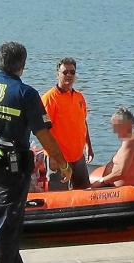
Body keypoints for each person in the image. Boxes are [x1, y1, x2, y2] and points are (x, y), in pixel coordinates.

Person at [0, 42, 72, 263]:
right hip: (13, 167)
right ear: (22, 65)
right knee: (7, 224)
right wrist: (63, 164)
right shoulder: (26, 94)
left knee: (1, 219)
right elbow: (44, 135)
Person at [41, 57, 93, 189]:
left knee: (84, 192)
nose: (69, 75)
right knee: (59, 196)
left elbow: (83, 123)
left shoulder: (79, 97)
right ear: (57, 73)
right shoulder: (49, 99)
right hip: (58, 159)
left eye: (72, 72)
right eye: (65, 72)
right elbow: (43, 131)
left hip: (78, 156)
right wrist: (52, 156)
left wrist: (89, 145)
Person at [91, 107, 134, 188]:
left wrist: (100, 181)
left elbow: (120, 173)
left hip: (120, 188)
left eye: (116, 127)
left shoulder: (129, 142)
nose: (114, 131)